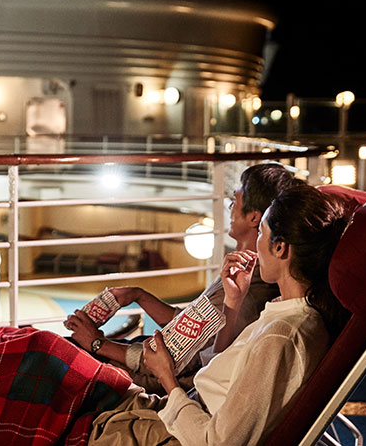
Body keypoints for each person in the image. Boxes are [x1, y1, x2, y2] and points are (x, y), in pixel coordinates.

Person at [80, 185, 350, 446]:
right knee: (59, 362)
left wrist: (166, 376)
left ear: (280, 248)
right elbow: (220, 374)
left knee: (65, 388)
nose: (257, 243)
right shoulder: (287, 311)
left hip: (178, 430)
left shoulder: (282, 336)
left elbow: (218, 441)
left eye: (262, 232)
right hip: (183, 409)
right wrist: (233, 302)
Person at [66, 163, 296, 393]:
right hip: (146, 362)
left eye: (235, 200)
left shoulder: (245, 288)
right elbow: (190, 329)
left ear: (254, 217)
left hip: (146, 383)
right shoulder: (242, 272)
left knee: (55, 350)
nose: (230, 207)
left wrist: (97, 343)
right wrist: (139, 295)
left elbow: (168, 362)